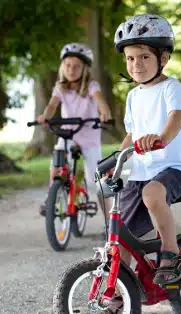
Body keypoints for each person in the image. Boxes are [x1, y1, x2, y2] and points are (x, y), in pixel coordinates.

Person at [112, 14, 181, 285]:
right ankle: (117, 291)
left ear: (163, 58)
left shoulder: (171, 87)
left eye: (144, 57)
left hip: (172, 168)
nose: (136, 64)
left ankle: (170, 253)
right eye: (130, 58)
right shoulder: (133, 96)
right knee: (121, 233)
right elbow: (130, 134)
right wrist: (115, 162)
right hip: (140, 172)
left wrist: (161, 138)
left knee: (153, 192)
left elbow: (176, 117)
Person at [35, 43, 112, 217]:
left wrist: (105, 112)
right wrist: (45, 116)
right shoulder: (60, 87)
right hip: (68, 134)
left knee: (96, 181)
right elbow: (51, 106)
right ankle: (51, 197)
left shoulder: (91, 86)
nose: (71, 70)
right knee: (56, 164)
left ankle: (111, 220)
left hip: (89, 136)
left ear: (84, 69)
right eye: (68, 65)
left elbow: (102, 103)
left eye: (76, 66)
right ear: (63, 67)